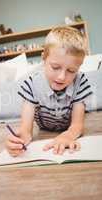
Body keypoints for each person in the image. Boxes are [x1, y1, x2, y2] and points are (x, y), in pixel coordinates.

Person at [5, 26, 92, 156]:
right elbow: (25, 129)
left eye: (71, 71)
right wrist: (18, 140)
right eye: (55, 67)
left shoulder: (80, 82)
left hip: (68, 126)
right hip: (44, 128)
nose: (62, 77)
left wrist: (68, 136)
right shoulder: (31, 84)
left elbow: (77, 126)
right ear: (44, 59)